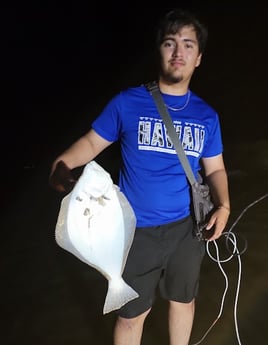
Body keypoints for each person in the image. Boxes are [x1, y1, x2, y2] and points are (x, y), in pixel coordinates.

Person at [49, 8, 230, 345]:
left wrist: (224, 206)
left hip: (188, 228)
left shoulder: (207, 116)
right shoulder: (127, 103)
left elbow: (215, 168)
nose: (178, 53)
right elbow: (91, 142)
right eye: (170, 43)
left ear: (199, 57)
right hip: (133, 231)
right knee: (132, 315)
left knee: (183, 301)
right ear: (159, 50)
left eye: (188, 45)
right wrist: (62, 163)